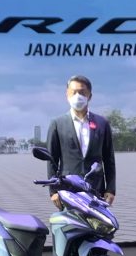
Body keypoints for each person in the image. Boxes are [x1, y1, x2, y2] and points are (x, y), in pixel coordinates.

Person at [45, 75, 116, 208]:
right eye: (74, 92)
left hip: (96, 189)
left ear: (90, 96)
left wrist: (111, 189)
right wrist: (53, 191)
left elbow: (109, 160)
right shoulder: (57, 124)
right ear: (67, 95)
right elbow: (51, 160)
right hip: (68, 190)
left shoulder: (102, 123)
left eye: (82, 92)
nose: (78, 96)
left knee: (98, 222)